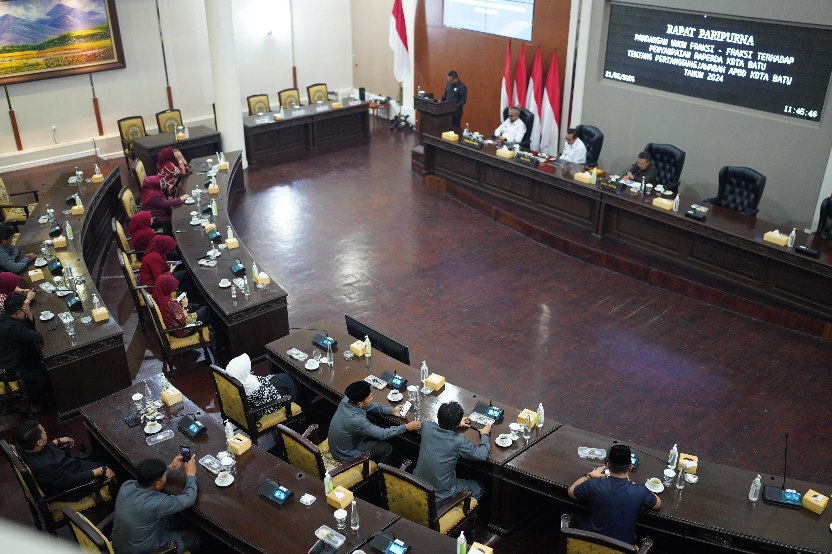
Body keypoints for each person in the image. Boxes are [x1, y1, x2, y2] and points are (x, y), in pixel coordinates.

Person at [567, 444, 660, 545]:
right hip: (623, 549)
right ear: (630, 467)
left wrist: (590, 475)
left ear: (608, 465)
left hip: (591, 546)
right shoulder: (639, 491)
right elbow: (658, 503)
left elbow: (571, 491)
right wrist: (637, 486)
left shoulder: (593, 484)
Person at [111, 455, 202, 554]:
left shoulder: (127, 485)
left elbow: (151, 480)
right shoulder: (157, 502)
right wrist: (191, 475)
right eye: (164, 475)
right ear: (158, 484)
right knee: (194, 537)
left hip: (119, 545)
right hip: (144, 550)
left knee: (174, 519)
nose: (165, 477)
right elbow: (189, 499)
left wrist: (171, 467)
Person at [15, 419, 115, 501]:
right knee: (116, 465)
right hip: (76, 485)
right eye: (43, 432)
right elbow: (71, 480)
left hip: (70, 466)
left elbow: (43, 451)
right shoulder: (45, 466)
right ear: (39, 442)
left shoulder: (23, 446)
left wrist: (57, 441)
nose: (45, 433)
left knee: (105, 453)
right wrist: (101, 470)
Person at [413, 401, 490, 506]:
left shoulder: (426, 426)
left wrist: (456, 424)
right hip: (440, 496)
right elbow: (482, 455)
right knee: (480, 486)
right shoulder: (458, 441)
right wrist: (485, 435)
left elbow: (438, 427)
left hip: (417, 485)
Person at [328, 381, 420, 464]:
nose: (372, 397)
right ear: (360, 403)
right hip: (346, 454)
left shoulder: (348, 399)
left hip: (339, 446)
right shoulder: (356, 420)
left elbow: (368, 406)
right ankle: (380, 474)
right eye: (370, 397)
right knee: (386, 447)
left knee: (374, 422)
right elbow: (382, 434)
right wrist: (406, 427)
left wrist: (391, 411)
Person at [0, 295, 50, 403]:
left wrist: (28, 314)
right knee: (46, 375)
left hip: (8, 356)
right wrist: (28, 314)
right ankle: (29, 402)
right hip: (9, 368)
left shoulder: (5, 316)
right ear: (18, 312)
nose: (27, 308)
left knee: (36, 355)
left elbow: (26, 327)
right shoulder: (12, 328)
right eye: (25, 307)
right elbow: (37, 337)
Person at [225, 352, 301, 410]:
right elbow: (268, 394)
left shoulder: (237, 383)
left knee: (284, 377)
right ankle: (296, 403)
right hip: (269, 404)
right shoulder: (255, 390)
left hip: (262, 396)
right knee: (289, 382)